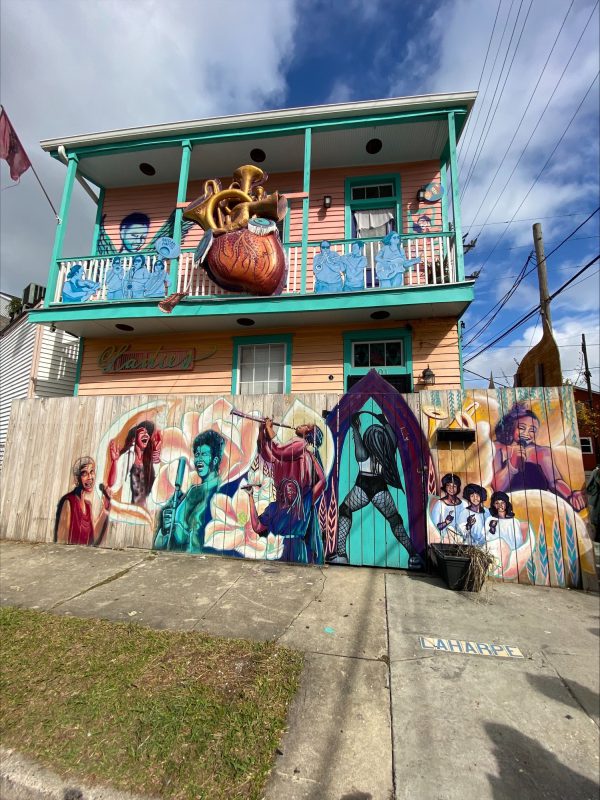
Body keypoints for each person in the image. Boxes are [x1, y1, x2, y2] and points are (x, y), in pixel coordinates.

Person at [331, 411, 422, 568]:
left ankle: (341, 554)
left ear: (369, 440)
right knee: (394, 519)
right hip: (380, 488)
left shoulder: (364, 454)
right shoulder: (387, 452)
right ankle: (413, 555)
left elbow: (358, 442)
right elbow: (392, 438)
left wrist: (355, 427)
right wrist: (384, 421)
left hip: (362, 487)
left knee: (344, 509)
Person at [257, 418, 326, 563]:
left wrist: (268, 429)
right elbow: (268, 453)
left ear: (309, 434)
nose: (302, 424)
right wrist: (261, 431)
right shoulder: (296, 450)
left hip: (294, 504)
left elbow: (277, 449)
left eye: (307, 426)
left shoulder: (300, 445)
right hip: (294, 504)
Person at [492, 403, 586, 510]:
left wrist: (570, 496)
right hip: (508, 508)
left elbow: (554, 482)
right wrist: (512, 466)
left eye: (532, 430)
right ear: (511, 427)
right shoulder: (497, 448)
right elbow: (497, 487)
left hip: (541, 507)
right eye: (522, 428)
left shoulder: (541, 452)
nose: (527, 433)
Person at [243, 455, 325, 563]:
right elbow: (257, 526)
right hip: (279, 549)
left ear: (298, 493)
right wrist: (250, 496)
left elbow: (322, 481)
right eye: (288, 487)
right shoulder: (274, 508)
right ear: (283, 492)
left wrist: (312, 457)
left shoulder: (304, 504)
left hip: (299, 550)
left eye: (294, 488)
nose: (291, 489)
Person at [153, 430, 225, 552]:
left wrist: (177, 526)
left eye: (204, 454)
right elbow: (162, 544)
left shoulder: (220, 490)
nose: (199, 459)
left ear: (215, 459)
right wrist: (165, 530)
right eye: (197, 454)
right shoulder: (191, 492)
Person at [55, 457, 111, 546]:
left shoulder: (88, 506)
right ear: (77, 479)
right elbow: (61, 540)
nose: (90, 477)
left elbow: (93, 539)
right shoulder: (69, 503)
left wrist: (106, 509)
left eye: (92, 472)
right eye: (84, 473)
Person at [106, 421, 162, 508]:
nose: (146, 434)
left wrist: (157, 458)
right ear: (134, 439)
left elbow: (157, 486)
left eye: (147, 433)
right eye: (142, 432)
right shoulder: (127, 456)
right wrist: (114, 462)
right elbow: (112, 485)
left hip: (146, 513)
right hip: (129, 511)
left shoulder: (150, 460)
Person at [431, 473, 467, 538]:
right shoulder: (439, 504)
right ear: (445, 487)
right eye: (448, 485)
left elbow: (466, 525)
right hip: (445, 540)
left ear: (458, 487)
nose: (451, 488)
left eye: (454, 486)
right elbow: (434, 527)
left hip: (462, 540)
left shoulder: (464, 504)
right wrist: (446, 522)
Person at [586, 465, 600, 541]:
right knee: (595, 522)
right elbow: (588, 488)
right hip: (596, 501)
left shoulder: (596, 472)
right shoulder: (596, 472)